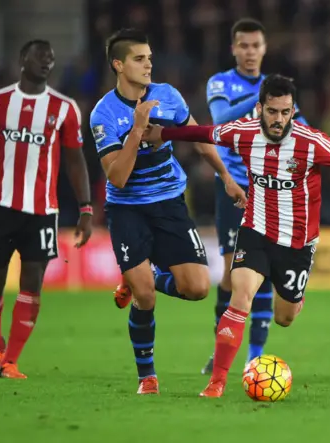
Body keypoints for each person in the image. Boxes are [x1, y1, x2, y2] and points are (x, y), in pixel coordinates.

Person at [142, 74, 330, 397]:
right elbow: (203, 132)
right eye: (272, 111)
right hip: (255, 229)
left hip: (297, 243)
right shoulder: (243, 134)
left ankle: (292, 299)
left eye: (285, 112)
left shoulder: (311, 142)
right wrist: (162, 133)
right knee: (239, 298)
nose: (279, 119)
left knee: (284, 317)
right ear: (260, 108)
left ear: (292, 111)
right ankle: (216, 383)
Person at [202, 18, 330, 373]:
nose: (251, 52)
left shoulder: (279, 98)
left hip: (271, 191)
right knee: (229, 277)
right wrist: (262, 96)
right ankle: (221, 343)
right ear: (234, 48)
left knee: (264, 274)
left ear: (264, 49)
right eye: (244, 45)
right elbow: (220, 120)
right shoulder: (221, 83)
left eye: (256, 46)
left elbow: (306, 134)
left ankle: (254, 353)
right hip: (235, 188)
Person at [89, 28, 246, 395]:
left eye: (149, 58)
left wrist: (225, 176)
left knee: (197, 289)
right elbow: (118, 177)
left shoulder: (168, 96)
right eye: (139, 59)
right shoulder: (103, 114)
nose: (148, 65)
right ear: (118, 64)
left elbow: (198, 136)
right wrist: (138, 130)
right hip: (128, 209)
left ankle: (140, 275)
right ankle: (148, 376)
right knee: (146, 297)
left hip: (170, 203)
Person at [0, 40, 93, 378]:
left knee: (32, 285)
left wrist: (86, 207)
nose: (47, 62)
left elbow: (76, 161)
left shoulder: (65, 108)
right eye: (39, 56)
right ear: (21, 60)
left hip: (42, 213)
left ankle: (10, 360)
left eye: (51, 57)